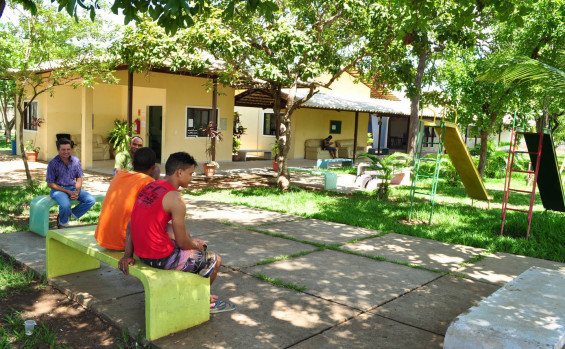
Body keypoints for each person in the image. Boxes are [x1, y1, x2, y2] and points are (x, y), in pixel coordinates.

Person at [118, 152, 235, 313]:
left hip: (140, 253)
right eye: (190, 174)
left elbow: (132, 223)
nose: (191, 178)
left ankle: (193, 289)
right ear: (180, 172)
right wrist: (196, 246)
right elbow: (181, 243)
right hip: (159, 257)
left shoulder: (149, 186)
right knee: (215, 260)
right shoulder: (176, 198)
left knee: (188, 237)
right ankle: (202, 301)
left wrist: (127, 255)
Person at [95, 147, 157, 250]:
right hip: (124, 243)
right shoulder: (148, 182)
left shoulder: (120, 175)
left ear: (132, 164)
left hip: (102, 237)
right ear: (153, 167)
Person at [46, 138, 96, 229]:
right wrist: (68, 192)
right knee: (65, 205)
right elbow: (50, 183)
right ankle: (62, 225)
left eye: (68, 149)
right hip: (58, 190)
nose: (66, 152)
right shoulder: (53, 163)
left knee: (91, 200)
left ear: (71, 149)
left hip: (73, 188)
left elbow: (79, 178)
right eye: (63, 149)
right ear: (58, 150)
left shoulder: (75, 161)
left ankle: (68, 213)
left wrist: (77, 191)